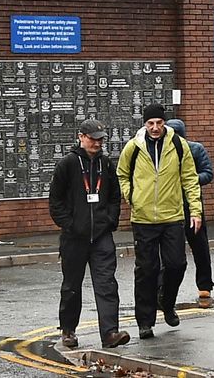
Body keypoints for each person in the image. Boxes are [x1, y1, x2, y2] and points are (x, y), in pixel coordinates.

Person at [117, 102, 202, 338]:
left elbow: (190, 179)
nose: (155, 127)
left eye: (159, 123)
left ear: (165, 123)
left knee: (177, 264)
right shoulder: (133, 147)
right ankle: (145, 321)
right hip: (143, 218)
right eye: (150, 123)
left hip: (172, 216)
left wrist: (195, 210)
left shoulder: (178, 144)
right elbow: (122, 173)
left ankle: (166, 301)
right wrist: (131, 195)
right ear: (145, 124)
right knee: (147, 269)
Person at [48, 118, 130, 350]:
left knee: (107, 285)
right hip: (75, 237)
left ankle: (110, 333)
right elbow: (55, 201)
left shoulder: (106, 164)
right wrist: (70, 225)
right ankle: (68, 331)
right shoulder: (68, 164)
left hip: (102, 236)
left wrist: (110, 220)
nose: (96, 143)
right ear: (81, 137)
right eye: (92, 138)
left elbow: (115, 196)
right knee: (72, 286)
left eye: (100, 139)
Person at [166, 118, 214, 307]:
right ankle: (164, 289)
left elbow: (208, 173)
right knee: (170, 251)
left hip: (191, 204)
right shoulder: (162, 152)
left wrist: (190, 179)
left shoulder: (195, 149)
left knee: (200, 246)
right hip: (169, 206)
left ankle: (205, 285)